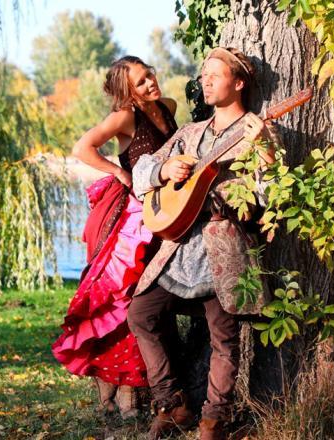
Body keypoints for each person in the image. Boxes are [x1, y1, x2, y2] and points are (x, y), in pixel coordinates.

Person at [128, 47, 279, 439]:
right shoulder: (190, 133)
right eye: (203, 74)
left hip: (224, 247)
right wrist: (164, 169)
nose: (205, 80)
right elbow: (141, 170)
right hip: (177, 247)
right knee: (141, 314)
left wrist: (265, 151)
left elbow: (271, 198)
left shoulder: (257, 133)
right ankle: (172, 403)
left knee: (223, 339)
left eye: (215, 74)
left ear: (239, 83)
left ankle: (214, 419)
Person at [51, 56, 178, 419]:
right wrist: (117, 173)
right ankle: (120, 390)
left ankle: (147, 387)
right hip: (137, 217)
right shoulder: (125, 116)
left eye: (149, 74)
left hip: (166, 211)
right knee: (124, 299)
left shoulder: (167, 108)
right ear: (128, 92)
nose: (150, 83)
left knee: (155, 297)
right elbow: (82, 148)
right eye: (140, 82)